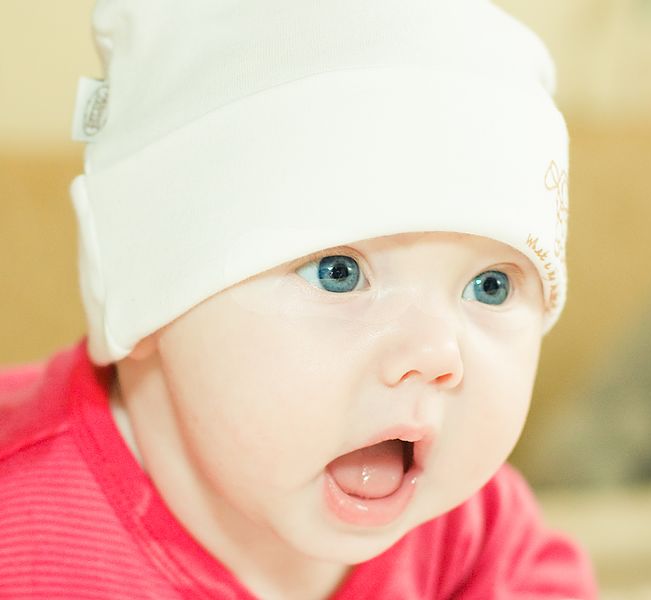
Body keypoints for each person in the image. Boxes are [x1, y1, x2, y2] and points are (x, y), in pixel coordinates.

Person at [0, 1, 594, 598]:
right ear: (149, 297)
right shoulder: (25, 532)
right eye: (339, 273)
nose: (438, 353)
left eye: (490, 287)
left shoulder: (477, 537)